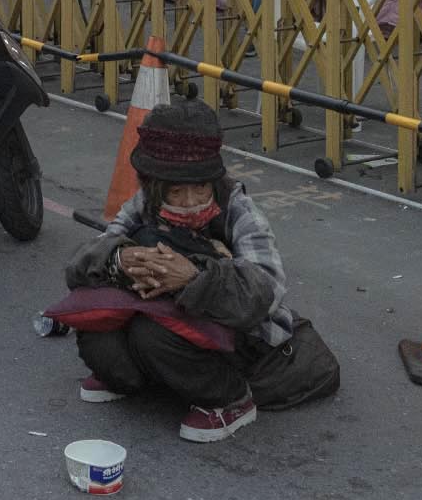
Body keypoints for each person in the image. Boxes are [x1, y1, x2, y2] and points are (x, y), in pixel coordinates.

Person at [64, 100, 340, 442]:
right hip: (171, 318)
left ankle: (231, 400)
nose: (189, 201)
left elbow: (265, 294)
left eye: (199, 188)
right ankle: (138, 378)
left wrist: (193, 278)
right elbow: (79, 265)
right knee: (96, 325)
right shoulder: (143, 204)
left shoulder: (239, 211)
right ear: (153, 185)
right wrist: (120, 259)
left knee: (151, 334)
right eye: (175, 191)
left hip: (243, 340)